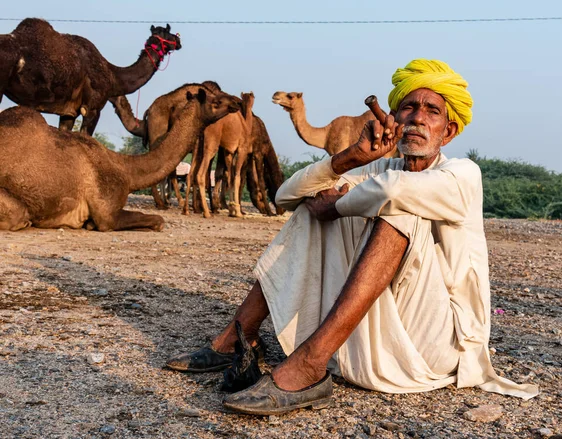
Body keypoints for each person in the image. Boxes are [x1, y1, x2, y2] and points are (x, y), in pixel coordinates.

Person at [166, 59, 539, 415]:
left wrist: (338, 205)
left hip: (436, 347)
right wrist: (348, 159)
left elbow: (395, 191)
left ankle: (309, 365)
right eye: (409, 107)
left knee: (398, 210)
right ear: (394, 117)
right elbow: (285, 197)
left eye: (432, 111)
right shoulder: (380, 168)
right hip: (375, 345)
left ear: (449, 131)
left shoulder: (463, 174)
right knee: (314, 206)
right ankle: (238, 337)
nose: (418, 118)